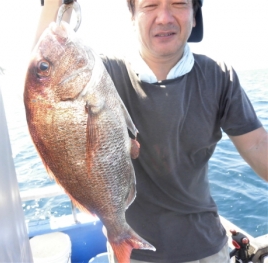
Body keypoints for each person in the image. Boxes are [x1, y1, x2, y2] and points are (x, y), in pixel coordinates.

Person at [33, 0, 268, 262]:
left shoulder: (219, 75)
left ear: (195, 16)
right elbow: (44, 72)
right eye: (150, 5)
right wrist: (54, 4)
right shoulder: (101, 75)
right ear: (132, 17)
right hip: (134, 253)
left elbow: (258, 144)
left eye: (178, 4)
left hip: (207, 247)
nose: (164, 17)